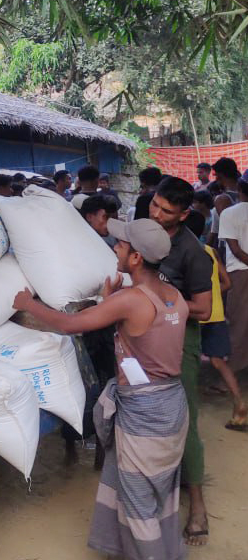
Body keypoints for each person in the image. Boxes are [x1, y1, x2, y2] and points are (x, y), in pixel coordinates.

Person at [13, 218, 188, 560]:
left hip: (144, 415)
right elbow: (143, 334)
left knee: (139, 503)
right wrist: (112, 299)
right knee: (159, 491)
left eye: (121, 246)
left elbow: (69, 324)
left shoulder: (132, 301)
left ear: (136, 258)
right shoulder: (173, 295)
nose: (115, 248)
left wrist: (27, 304)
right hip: (171, 407)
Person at [149, 176, 213, 546]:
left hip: (179, 340)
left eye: (166, 211)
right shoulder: (146, 228)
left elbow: (203, 309)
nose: (156, 214)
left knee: (183, 419)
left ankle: (198, 503)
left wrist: (163, 301)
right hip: (143, 334)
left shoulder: (192, 252)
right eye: (155, 204)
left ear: (185, 214)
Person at [184, 211, 248, 431]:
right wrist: (210, 297)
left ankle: (186, 412)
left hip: (192, 316)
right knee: (218, 361)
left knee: (185, 360)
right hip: (215, 314)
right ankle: (240, 403)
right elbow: (227, 284)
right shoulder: (210, 251)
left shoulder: (183, 253)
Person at [217, 179, 248, 385]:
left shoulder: (229, 213)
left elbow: (235, 249)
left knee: (238, 323)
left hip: (240, 272)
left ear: (239, 190)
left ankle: (233, 375)